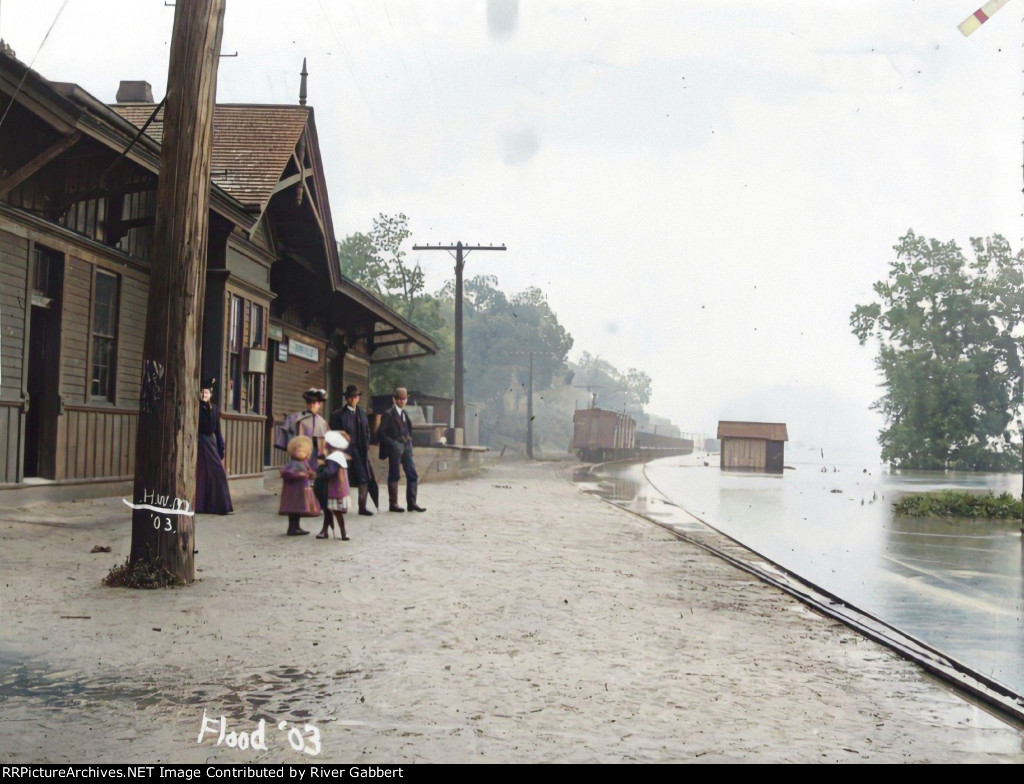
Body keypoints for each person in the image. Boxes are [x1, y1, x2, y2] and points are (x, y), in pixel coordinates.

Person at [376, 387, 426, 513]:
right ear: (394, 399)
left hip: (406, 446)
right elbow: (380, 433)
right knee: (394, 474)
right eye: (399, 398)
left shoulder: (404, 413)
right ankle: (393, 504)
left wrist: (409, 441)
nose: (401, 401)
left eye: (404, 399)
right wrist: (393, 444)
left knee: (412, 474)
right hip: (395, 447)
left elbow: (408, 429)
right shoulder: (388, 414)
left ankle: (412, 503)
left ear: (406, 399)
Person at [329, 384, 375, 516]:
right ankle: (340, 505)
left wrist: (366, 445)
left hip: (359, 450)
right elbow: (332, 433)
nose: (353, 399)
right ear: (346, 399)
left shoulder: (362, 413)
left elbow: (367, 430)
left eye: (355, 397)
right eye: (350, 397)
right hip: (344, 450)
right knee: (341, 477)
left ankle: (362, 507)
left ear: (358, 398)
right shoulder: (338, 415)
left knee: (364, 477)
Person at [195, 378, 233, 515]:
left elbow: (217, 430)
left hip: (211, 441)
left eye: (207, 392)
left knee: (217, 472)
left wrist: (220, 446)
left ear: (211, 394)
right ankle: (201, 506)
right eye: (202, 392)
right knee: (203, 474)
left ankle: (221, 506)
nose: (204, 394)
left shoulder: (215, 408)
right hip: (201, 441)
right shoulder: (197, 407)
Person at [276, 388, 329, 472]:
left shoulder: (322, 422)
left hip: (315, 455)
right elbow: (288, 432)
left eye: (314, 403)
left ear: (319, 404)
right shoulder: (296, 418)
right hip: (300, 452)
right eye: (309, 403)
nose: (311, 405)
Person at [279, 435, 321, 536]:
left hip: (299, 491)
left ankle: (296, 527)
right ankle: (292, 528)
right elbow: (287, 473)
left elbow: (309, 472)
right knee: (294, 511)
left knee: (297, 511)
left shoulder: (302, 463)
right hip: (294, 492)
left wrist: (311, 475)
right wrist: (302, 475)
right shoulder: (294, 463)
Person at [314, 430, 351, 540]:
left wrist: (318, 473)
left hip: (333, 488)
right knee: (330, 509)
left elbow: (330, 471)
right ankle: (329, 530)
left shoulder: (334, 457)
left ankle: (340, 531)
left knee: (333, 510)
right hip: (336, 487)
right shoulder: (339, 455)